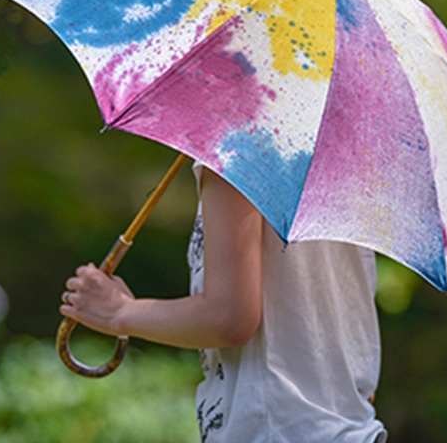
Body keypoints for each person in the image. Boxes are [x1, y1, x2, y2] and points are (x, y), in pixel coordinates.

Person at [61, 162, 388, 442]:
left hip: (278, 428)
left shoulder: (240, 143)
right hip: (347, 426)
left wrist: (120, 311)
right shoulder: (348, 150)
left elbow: (229, 317)